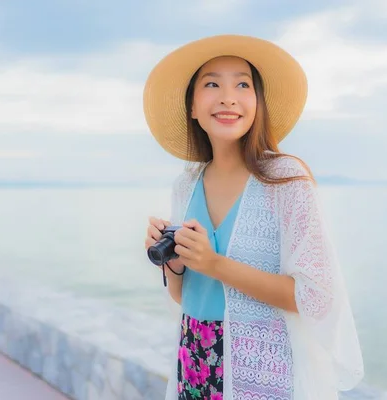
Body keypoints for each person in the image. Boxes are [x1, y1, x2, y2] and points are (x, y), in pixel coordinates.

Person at [143, 34, 364, 400]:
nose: (228, 97)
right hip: (193, 356)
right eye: (211, 83)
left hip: (261, 368)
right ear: (193, 107)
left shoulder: (285, 179)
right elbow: (186, 297)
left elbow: (314, 297)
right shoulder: (186, 185)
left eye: (243, 84)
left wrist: (214, 263)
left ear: (258, 104)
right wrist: (176, 263)